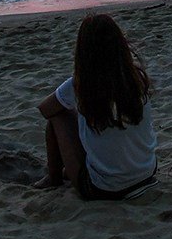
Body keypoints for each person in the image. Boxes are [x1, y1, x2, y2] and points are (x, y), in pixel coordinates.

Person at [35, 14, 158, 201]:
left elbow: (45, 109)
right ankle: (72, 169)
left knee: (58, 115)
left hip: (105, 188)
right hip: (146, 173)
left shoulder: (82, 84)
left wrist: (73, 112)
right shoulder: (136, 79)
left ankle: (54, 178)